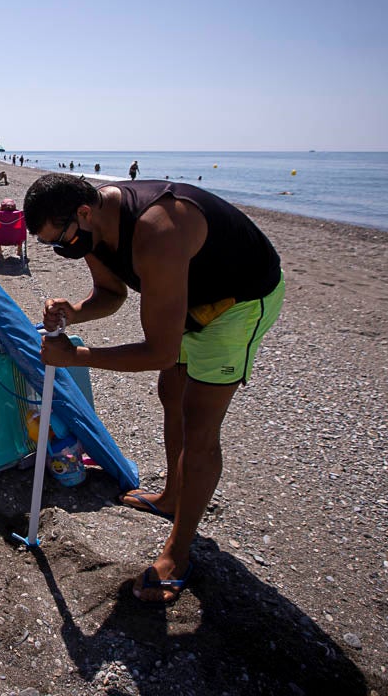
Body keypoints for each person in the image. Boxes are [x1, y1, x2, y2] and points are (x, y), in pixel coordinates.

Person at [24, 173, 284, 603]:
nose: (65, 251)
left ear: (84, 213)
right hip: (188, 295)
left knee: (199, 423)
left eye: (63, 240)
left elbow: (159, 351)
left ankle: (178, 553)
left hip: (237, 302)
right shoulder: (93, 227)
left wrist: (78, 356)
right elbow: (110, 293)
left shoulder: (157, 230)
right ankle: (170, 497)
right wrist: (75, 311)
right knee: (171, 394)